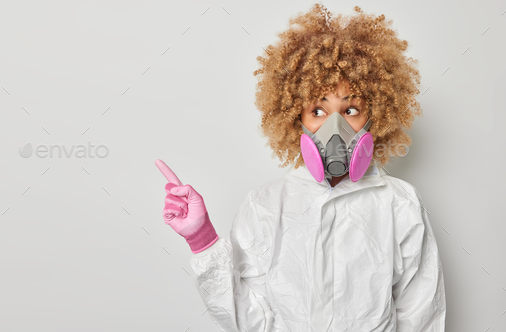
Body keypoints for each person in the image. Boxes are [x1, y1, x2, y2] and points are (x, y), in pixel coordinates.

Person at [156, 4, 446, 331]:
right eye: (318, 112)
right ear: (296, 119)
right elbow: (247, 320)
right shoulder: (265, 205)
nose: (335, 127)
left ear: (375, 117)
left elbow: (421, 317)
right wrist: (203, 238)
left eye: (350, 109)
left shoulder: (400, 203)